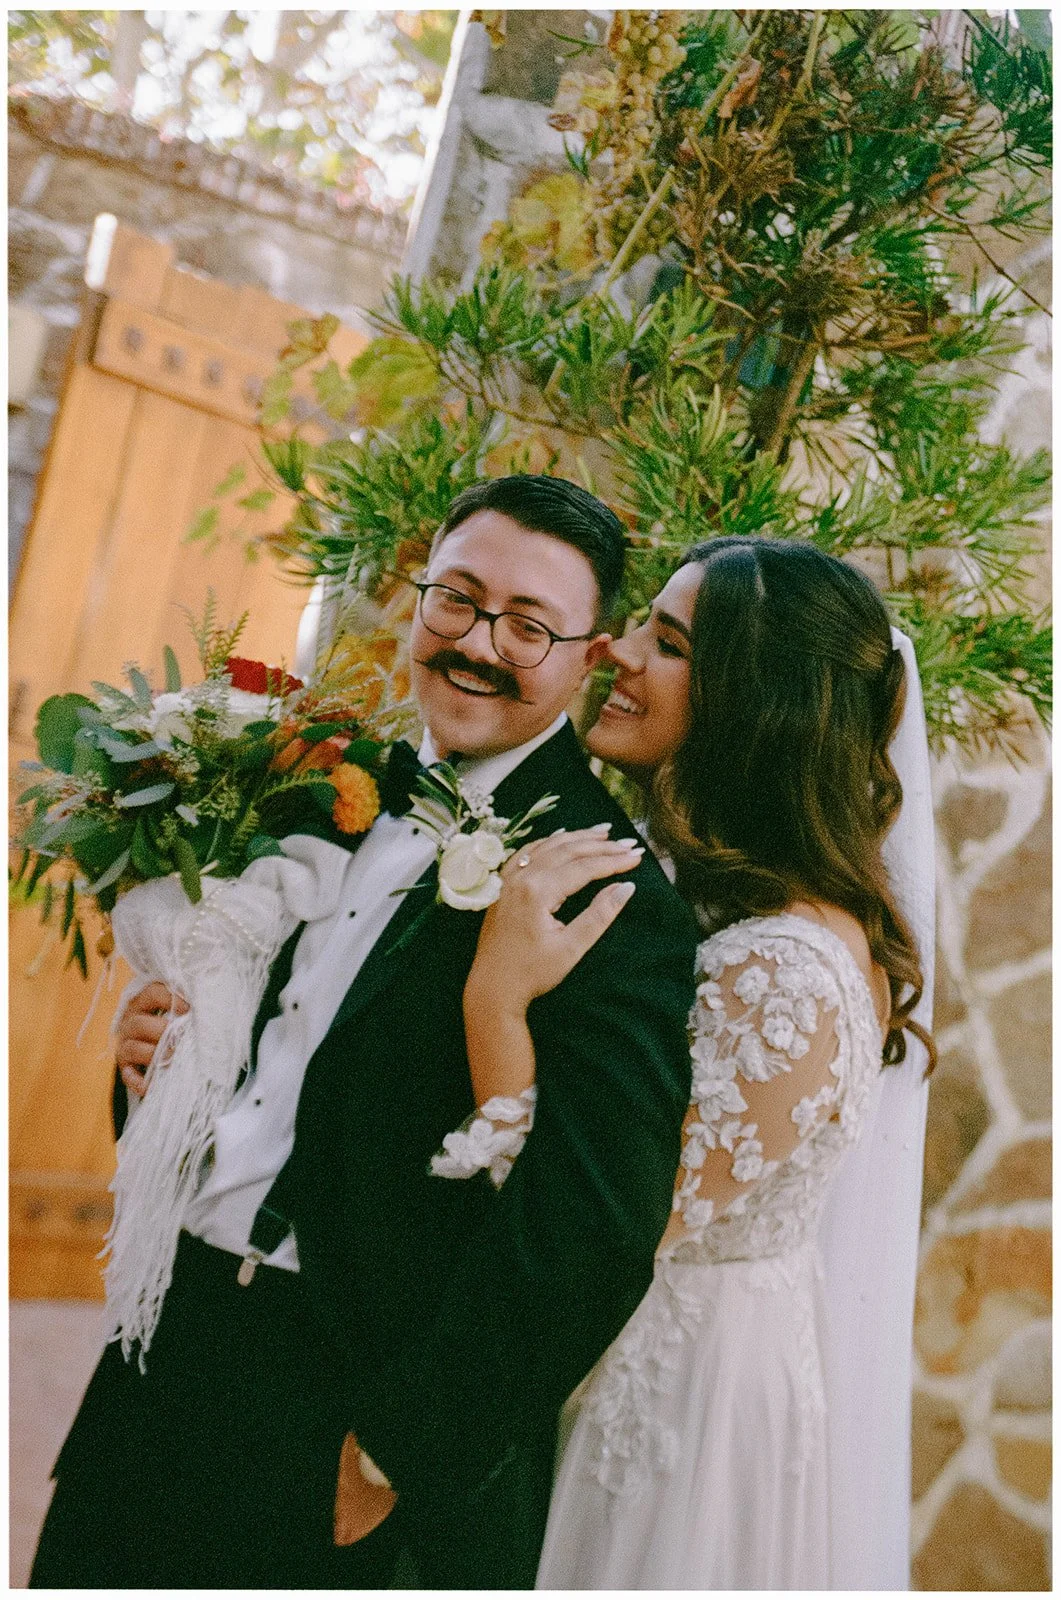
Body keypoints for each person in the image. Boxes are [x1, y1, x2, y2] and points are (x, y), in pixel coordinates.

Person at [30, 475, 700, 1590]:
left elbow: (588, 1232)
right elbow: (263, 1075)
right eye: (458, 598)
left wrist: (397, 1453)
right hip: (168, 1347)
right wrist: (153, 1064)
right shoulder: (307, 790)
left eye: (528, 625)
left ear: (587, 659)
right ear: (416, 602)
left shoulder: (607, 897)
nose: (479, 642)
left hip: (347, 1408)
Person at [439, 536, 936, 1589]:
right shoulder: (684, 885)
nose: (612, 651)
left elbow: (594, 1215)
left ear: (754, 701)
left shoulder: (784, 969)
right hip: (598, 1358)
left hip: (675, 1405)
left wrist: (496, 998)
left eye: (663, 642)